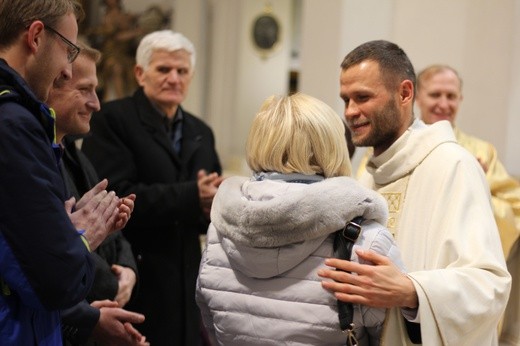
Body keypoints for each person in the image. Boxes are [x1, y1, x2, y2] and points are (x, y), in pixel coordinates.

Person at [317, 40, 511, 345]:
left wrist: (411, 291)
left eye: (363, 97)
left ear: (405, 93)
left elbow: (490, 286)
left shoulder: (454, 165)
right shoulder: (368, 174)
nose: (351, 112)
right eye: (346, 100)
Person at [196, 93, 407, 345]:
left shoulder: (219, 231)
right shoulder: (367, 241)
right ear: (333, 145)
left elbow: (211, 322)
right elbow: (393, 335)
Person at [82, 30, 223, 345]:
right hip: (135, 276)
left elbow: (206, 210)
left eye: (182, 71)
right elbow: (113, 197)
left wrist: (218, 201)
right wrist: (191, 196)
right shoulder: (112, 120)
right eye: (164, 69)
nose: (174, 78)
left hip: (186, 280)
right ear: (139, 73)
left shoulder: (202, 131)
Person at [0, 1, 125, 344]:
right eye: (68, 50)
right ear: (36, 36)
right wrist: (82, 236)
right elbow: (57, 281)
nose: (67, 71)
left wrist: (61, 231)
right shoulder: (14, 124)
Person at [47, 41, 149, 345]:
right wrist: (110, 288)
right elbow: (50, 251)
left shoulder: (75, 153)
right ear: (52, 84)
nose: (96, 103)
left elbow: (110, 232)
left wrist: (128, 269)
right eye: (85, 89)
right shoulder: (36, 159)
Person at [415, 64, 520, 345]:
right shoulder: (399, 149)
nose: (443, 104)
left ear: (460, 99)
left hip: (464, 277)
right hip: (413, 270)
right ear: (416, 98)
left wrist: (476, 188)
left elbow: (515, 211)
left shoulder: (480, 152)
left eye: (451, 96)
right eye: (435, 94)